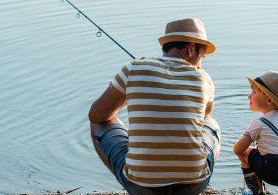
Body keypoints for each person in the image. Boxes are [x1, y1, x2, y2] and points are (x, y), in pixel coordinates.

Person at [88, 17, 221, 195]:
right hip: (193, 185)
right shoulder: (204, 79)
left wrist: (130, 93)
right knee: (212, 125)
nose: (201, 62)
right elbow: (204, 117)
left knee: (98, 123)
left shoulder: (133, 69)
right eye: (202, 56)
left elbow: (96, 116)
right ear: (191, 49)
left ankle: (134, 181)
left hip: (142, 187)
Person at [233, 71, 278, 195]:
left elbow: (238, 149)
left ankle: (257, 191)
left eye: (254, 92)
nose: (249, 96)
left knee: (245, 152)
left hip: (275, 171)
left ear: (269, 101)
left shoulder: (258, 123)